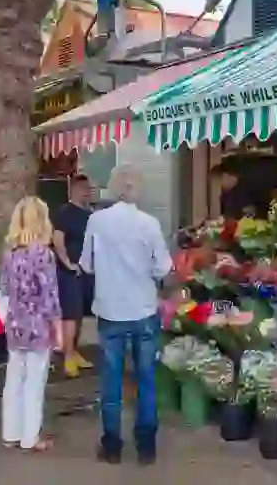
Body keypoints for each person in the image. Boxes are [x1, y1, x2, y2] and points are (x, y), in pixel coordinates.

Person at [80, 164, 173, 465]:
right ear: (138, 189)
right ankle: (146, 447)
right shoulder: (149, 224)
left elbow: (87, 265)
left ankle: (112, 447)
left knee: (111, 380)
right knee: (146, 378)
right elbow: (163, 268)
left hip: (109, 310)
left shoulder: (96, 221)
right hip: (144, 309)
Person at [0, 196, 62, 453]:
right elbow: (50, 297)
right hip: (38, 326)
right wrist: (58, 329)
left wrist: (5, 320)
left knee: (14, 379)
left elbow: (3, 291)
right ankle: (30, 438)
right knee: (35, 382)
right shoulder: (44, 255)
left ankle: (10, 433)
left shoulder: (9, 254)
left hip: (14, 324)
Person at [51, 174, 94, 378]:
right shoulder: (65, 212)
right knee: (70, 314)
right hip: (69, 272)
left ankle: (74, 351)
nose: (88, 192)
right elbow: (57, 239)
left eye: (89, 188)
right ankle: (67, 355)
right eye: (84, 188)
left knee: (79, 314)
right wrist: (68, 263)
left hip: (86, 271)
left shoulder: (89, 214)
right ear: (75, 189)